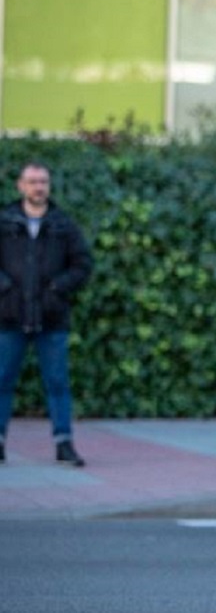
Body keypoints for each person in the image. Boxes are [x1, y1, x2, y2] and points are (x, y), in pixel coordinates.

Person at [0, 162, 93, 467]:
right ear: (20, 186)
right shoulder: (5, 221)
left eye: (43, 182)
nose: (38, 187)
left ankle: (63, 444)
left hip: (51, 320)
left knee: (57, 383)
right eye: (32, 182)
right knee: (2, 380)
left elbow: (82, 264)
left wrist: (56, 289)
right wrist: (5, 289)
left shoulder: (63, 225)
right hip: (10, 317)